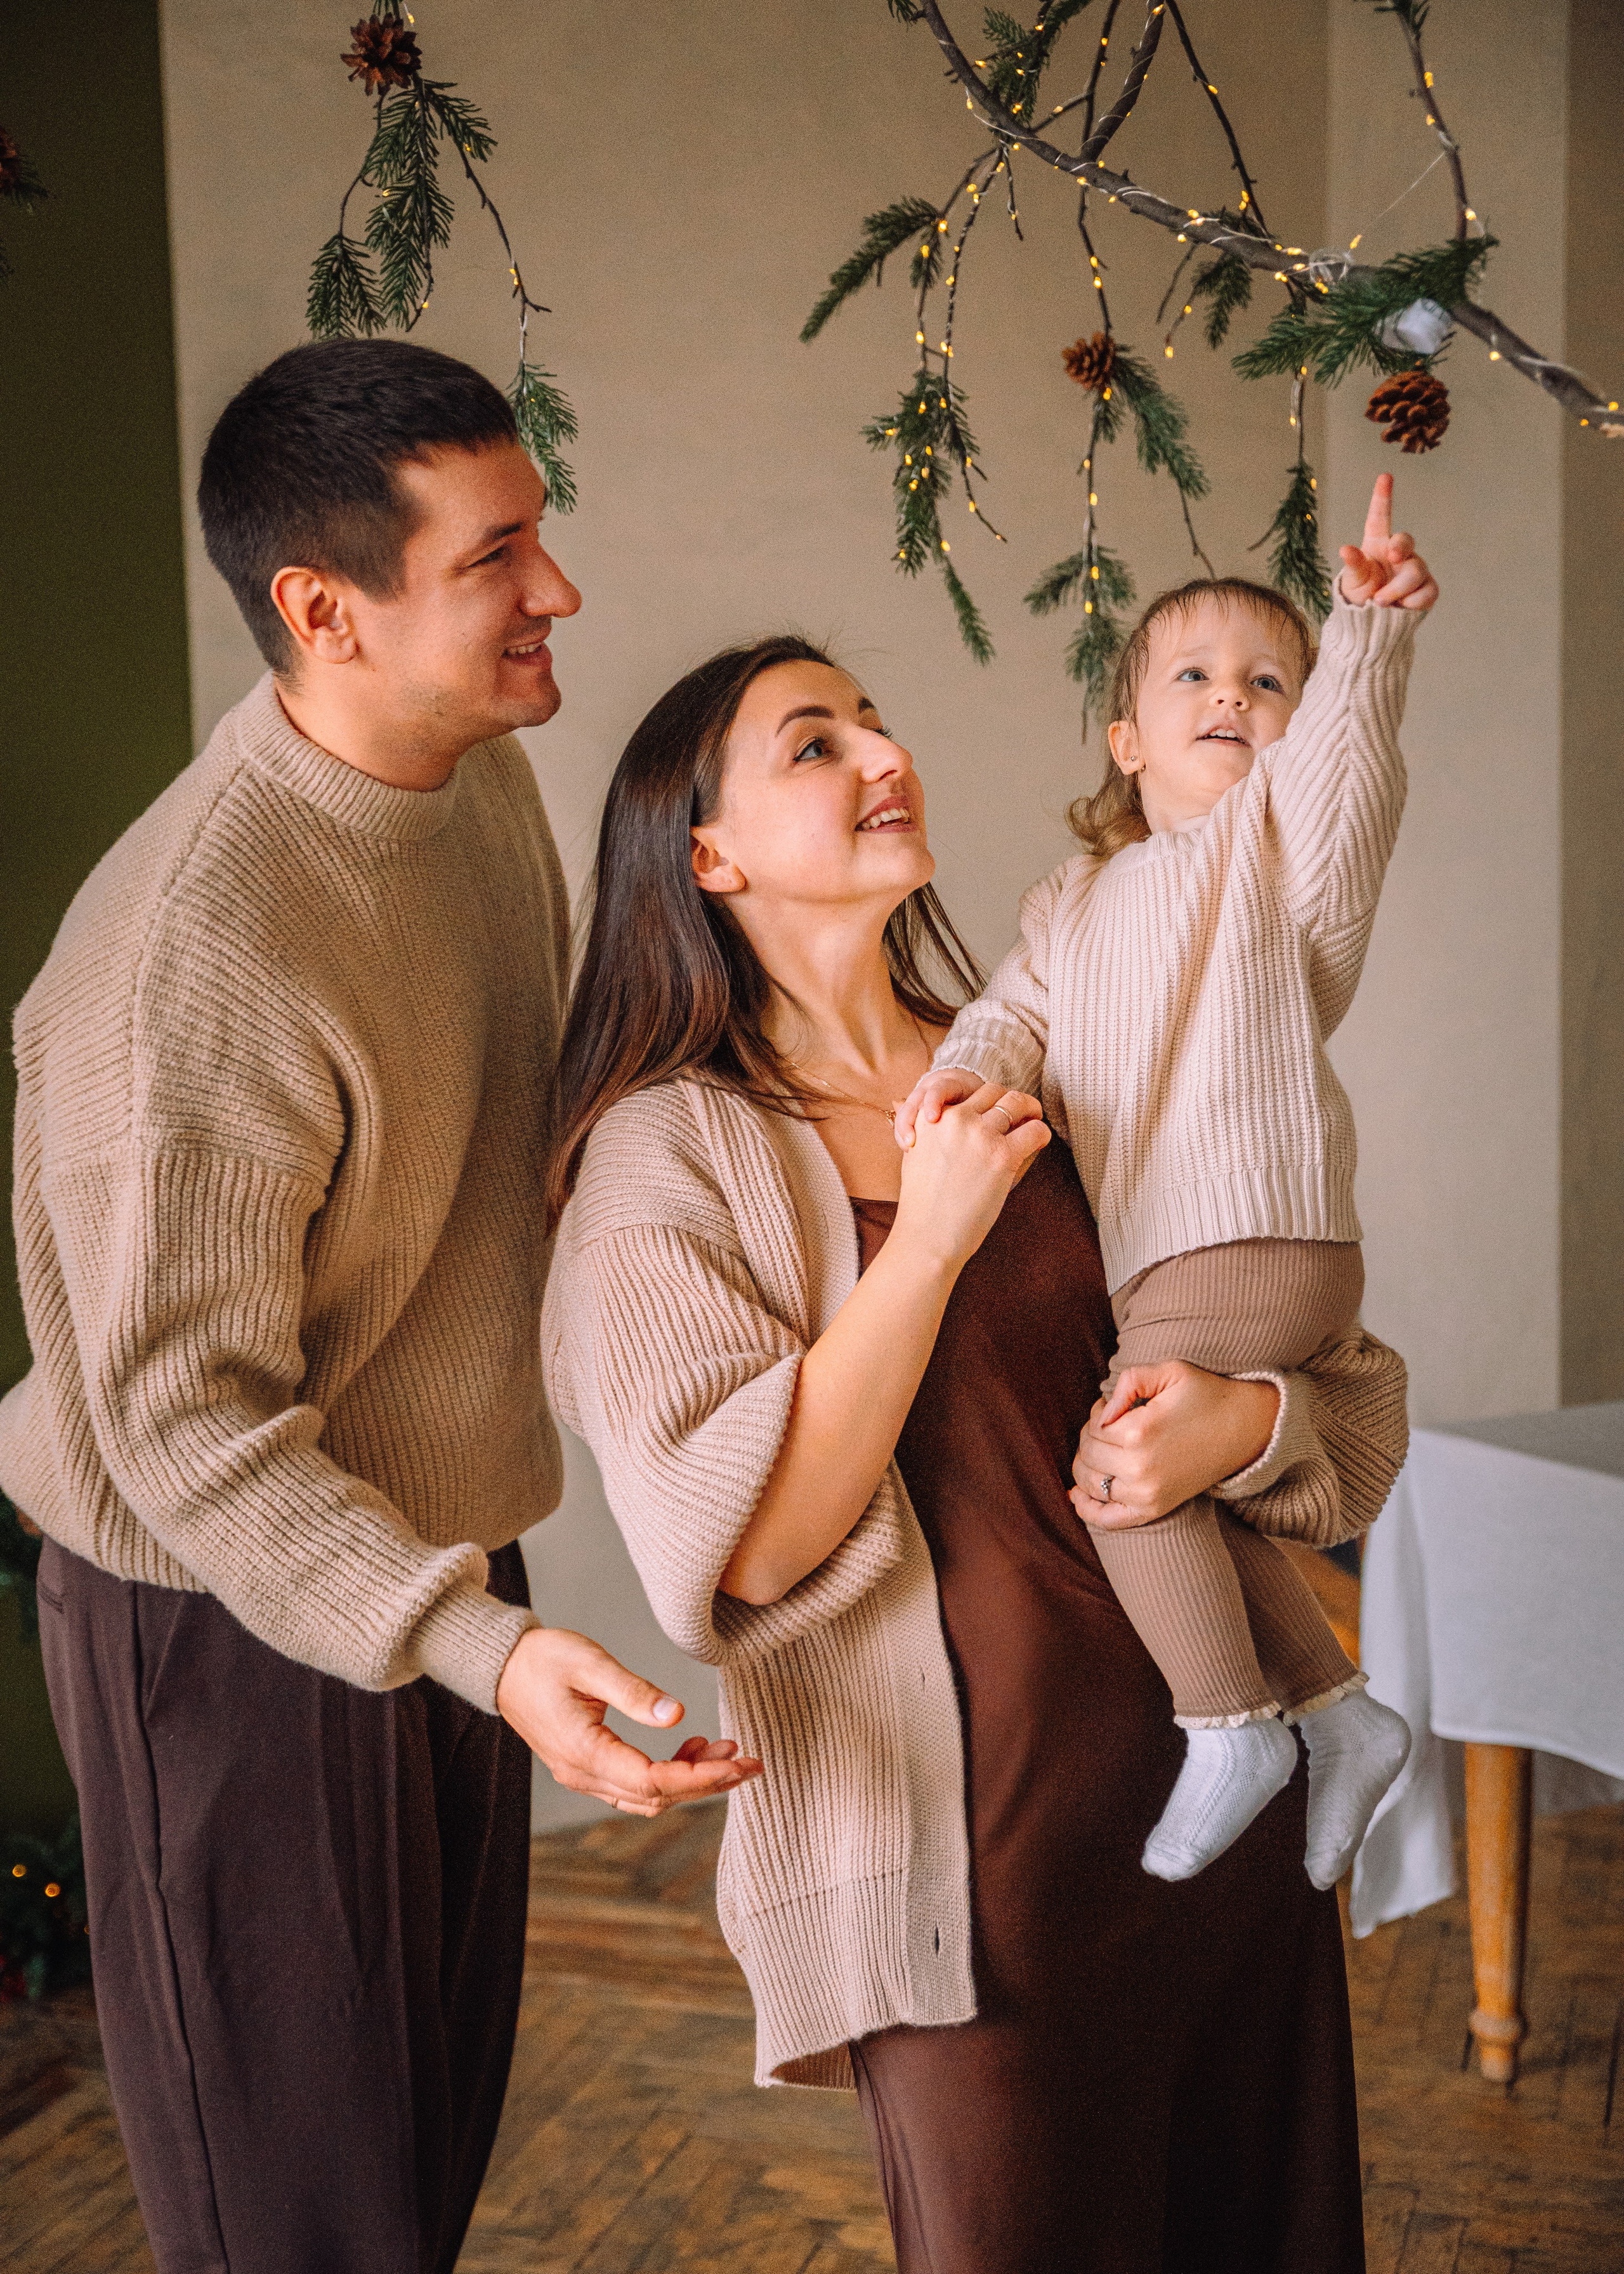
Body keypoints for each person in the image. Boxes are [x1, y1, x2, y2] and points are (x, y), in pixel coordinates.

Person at [0, 338, 756, 2274]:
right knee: (302, 2228)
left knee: (411, 2173)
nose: (558, 593)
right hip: (219, 1616)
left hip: (438, 1570)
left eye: (541, 536)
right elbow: (184, 1434)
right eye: (498, 556)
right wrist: (480, 1649)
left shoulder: (475, 785)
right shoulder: (198, 959)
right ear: (324, 610)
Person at [542, 631, 1409, 2271]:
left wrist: (1257, 1421)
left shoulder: (1063, 1054)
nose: (882, 752)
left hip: (1231, 1804)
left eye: (876, 716)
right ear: (706, 853)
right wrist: (926, 1241)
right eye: (815, 743)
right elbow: (739, 1554)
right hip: (979, 1883)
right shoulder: (666, 1151)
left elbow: (1353, 1402)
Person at [896, 474, 1425, 1886]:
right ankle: (1339, 1710)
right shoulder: (1071, 900)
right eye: (1189, 674)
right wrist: (966, 1071)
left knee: (1114, 1480)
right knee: (1174, 1483)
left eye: (1267, 680)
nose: (1230, 696)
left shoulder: (1272, 853)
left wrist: (1363, 645)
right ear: (1124, 736)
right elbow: (1015, 1012)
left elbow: (1347, 795)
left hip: (1248, 1225)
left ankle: (1232, 1724)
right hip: (1184, 1251)